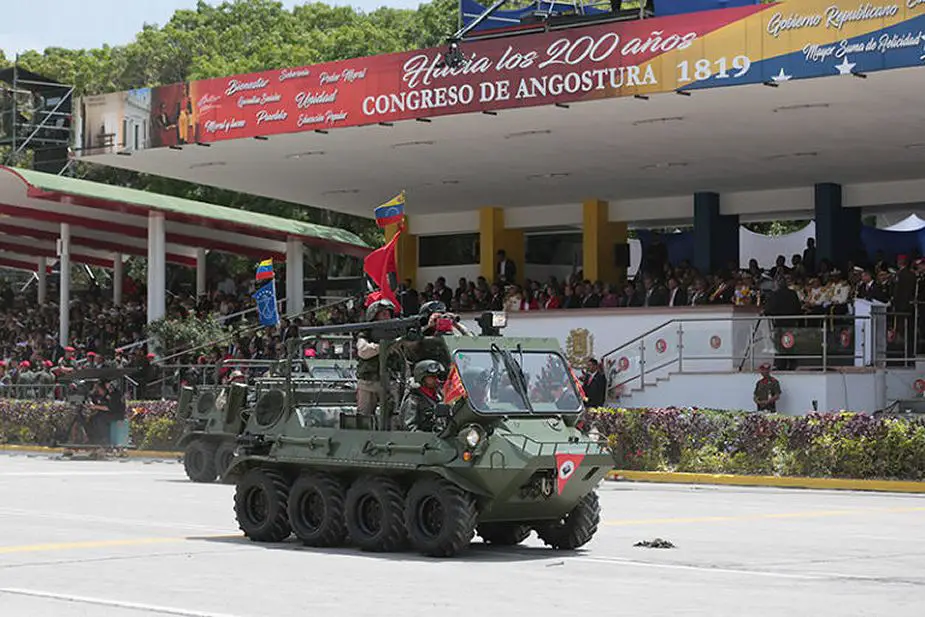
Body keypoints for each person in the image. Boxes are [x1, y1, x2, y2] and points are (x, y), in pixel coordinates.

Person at [356, 299, 399, 417]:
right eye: (383, 314)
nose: (387, 317)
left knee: (393, 416)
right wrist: (383, 347)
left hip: (390, 382)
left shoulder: (396, 333)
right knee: (364, 416)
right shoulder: (366, 333)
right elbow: (363, 351)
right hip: (368, 382)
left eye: (389, 314)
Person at [401, 360, 445, 431]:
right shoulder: (413, 400)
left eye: (436, 377)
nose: (436, 380)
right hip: (424, 440)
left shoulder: (439, 397)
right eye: (431, 377)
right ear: (422, 378)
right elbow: (409, 428)